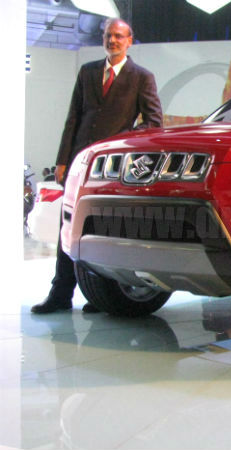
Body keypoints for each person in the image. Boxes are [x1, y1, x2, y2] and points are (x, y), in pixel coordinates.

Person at [31, 18, 163, 314]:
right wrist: (62, 160)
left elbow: (154, 122)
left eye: (118, 36)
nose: (112, 40)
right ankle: (60, 294)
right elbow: (73, 118)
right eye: (108, 35)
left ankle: (99, 295)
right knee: (69, 229)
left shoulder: (142, 77)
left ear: (129, 41)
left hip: (112, 168)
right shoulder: (87, 71)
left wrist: (124, 143)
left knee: (103, 229)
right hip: (79, 164)